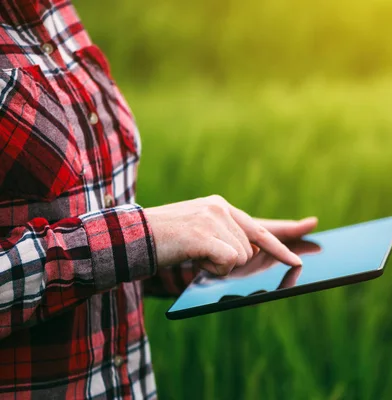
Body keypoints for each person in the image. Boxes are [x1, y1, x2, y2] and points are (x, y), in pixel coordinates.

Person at [0, 1, 318, 398]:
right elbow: (114, 240)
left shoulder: (54, 12)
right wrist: (143, 235)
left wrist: (198, 245)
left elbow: (86, 220)